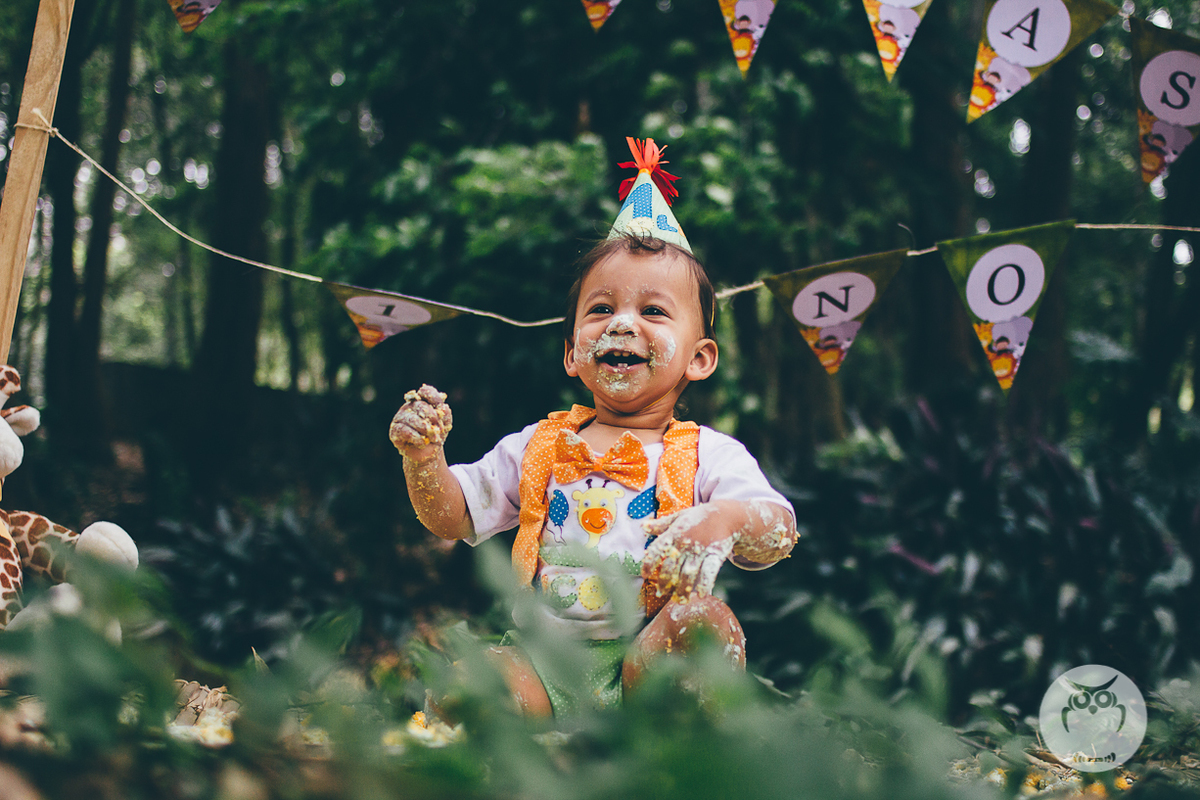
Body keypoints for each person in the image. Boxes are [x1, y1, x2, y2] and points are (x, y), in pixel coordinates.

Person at [389, 137, 798, 717]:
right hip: (541, 660)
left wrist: (725, 520)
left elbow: (779, 530)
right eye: (601, 309)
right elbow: (453, 515)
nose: (622, 324)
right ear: (571, 353)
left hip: (649, 661)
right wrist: (424, 459)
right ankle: (522, 726)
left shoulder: (711, 454)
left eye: (653, 311)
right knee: (465, 682)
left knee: (705, 622)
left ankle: (665, 737)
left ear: (699, 358)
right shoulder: (538, 445)